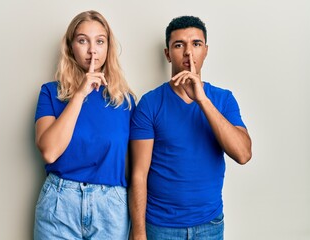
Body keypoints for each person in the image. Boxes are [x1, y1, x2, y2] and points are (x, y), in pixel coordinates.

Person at [129, 15, 252, 240]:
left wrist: (202, 100)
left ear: (205, 50)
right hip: (160, 226)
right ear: (167, 54)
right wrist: (138, 232)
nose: (188, 52)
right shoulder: (150, 103)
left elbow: (243, 154)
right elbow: (138, 174)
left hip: (210, 225)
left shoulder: (223, 99)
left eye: (196, 44)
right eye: (179, 45)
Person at [33, 10, 136, 240]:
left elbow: (135, 168)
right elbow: (49, 152)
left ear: (108, 47)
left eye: (100, 41)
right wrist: (79, 94)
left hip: (111, 206)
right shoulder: (50, 92)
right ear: (71, 47)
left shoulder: (125, 101)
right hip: (60, 204)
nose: (92, 50)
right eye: (83, 41)